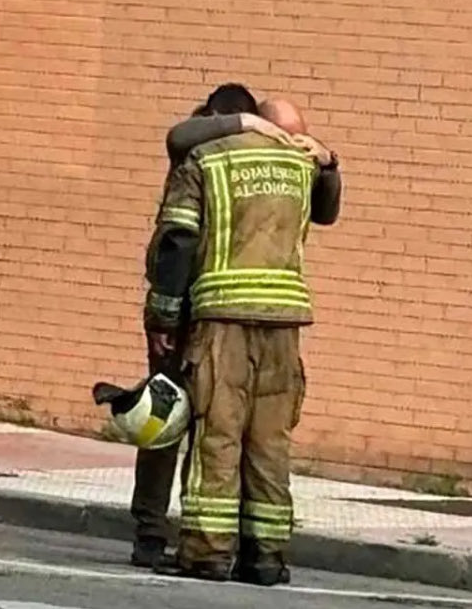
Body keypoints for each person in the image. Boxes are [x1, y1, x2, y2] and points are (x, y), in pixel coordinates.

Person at [131, 90, 340, 570]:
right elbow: (327, 210)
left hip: (210, 314)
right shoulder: (289, 161)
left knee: (205, 432)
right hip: (281, 322)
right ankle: (265, 555)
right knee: (267, 439)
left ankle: (198, 549)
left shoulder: (207, 161)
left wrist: (162, 317)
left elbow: (178, 240)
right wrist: (327, 161)